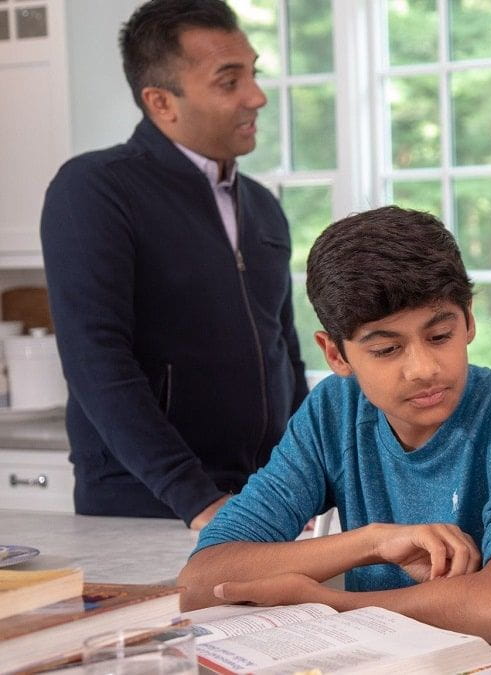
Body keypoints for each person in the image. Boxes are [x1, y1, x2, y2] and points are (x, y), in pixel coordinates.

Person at [176, 206, 491, 644]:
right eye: (386, 349)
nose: (423, 369)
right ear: (336, 355)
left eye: (440, 336)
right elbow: (200, 581)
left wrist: (334, 604)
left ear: (469, 320)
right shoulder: (334, 409)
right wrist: (374, 542)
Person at [39, 0, 307, 528]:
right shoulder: (95, 190)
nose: (257, 96)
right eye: (229, 82)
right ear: (161, 102)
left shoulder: (263, 207)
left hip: (259, 503)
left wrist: (299, 480)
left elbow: (285, 355)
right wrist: (197, 500)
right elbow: (96, 360)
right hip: (147, 506)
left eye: (253, 73)